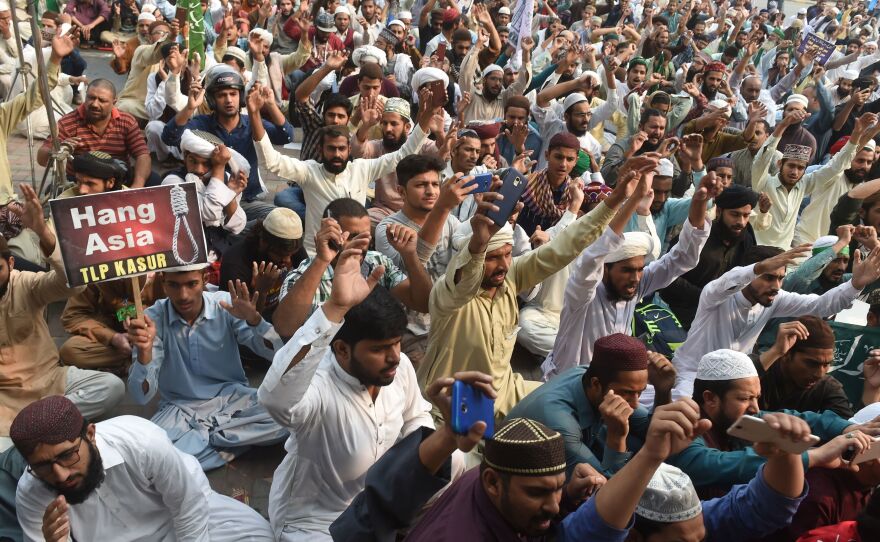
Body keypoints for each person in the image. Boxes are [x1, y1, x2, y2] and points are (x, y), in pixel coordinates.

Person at [418, 166, 648, 419]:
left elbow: (563, 247)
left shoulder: (510, 276)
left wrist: (616, 199)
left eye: (507, 254)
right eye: (493, 257)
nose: (504, 264)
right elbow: (466, 276)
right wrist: (479, 243)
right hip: (452, 405)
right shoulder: (447, 293)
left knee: (576, 397)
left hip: (506, 393)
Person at [257, 234, 436, 540]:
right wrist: (334, 308)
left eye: (396, 344)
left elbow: (416, 418)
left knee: (453, 461)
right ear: (341, 349)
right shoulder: (318, 385)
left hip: (379, 503)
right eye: (380, 349)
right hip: (314, 522)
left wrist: (418, 465)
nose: (394, 357)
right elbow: (275, 401)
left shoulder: (400, 367)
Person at [11, 396, 275, 541]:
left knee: (259, 535)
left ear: (90, 434)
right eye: (42, 466)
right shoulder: (32, 494)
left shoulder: (141, 441)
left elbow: (187, 507)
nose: (60, 475)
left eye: (67, 455)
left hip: (180, 522)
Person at [546, 168, 717, 376]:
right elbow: (593, 257)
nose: (635, 278)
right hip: (571, 386)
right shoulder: (583, 292)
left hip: (615, 385)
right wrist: (634, 199)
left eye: (639, 270)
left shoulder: (635, 285)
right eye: (627, 270)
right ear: (605, 269)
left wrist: (699, 203)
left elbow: (681, 259)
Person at [0, 183, 125, 449]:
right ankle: (48, 427)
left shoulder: (24, 283)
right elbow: (75, 317)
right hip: (4, 398)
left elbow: (73, 284)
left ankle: (34, 428)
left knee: (112, 388)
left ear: (10, 264)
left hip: (48, 382)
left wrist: (43, 232)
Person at [669, 244, 880, 401]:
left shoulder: (774, 299)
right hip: (691, 375)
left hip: (736, 381)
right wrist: (757, 267)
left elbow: (821, 306)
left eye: (780, 278)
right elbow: (727, 281)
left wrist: (855, 284)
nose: (776, 286)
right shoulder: (716, 297)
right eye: (768, 277)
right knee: (684, 412)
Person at [126, 265, 287, 470]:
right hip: (181, 408)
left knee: (285, 417)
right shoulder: (152, 319)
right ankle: (228, 444)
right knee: (147, 454)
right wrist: (144, 353)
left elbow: (276, 354)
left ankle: (201, 445)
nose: (183, 295)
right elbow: (141, 397)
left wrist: (255, 320)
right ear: (163, 283)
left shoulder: (226, 304)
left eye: (191, 284)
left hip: (233, 400)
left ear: (205, 278)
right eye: (174, 285)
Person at [252, 82, 436, 256]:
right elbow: (272, 162)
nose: (337, 154)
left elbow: (401, 155)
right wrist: (254, 114)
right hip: (316, 255)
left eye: (341, 149)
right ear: (320, 150)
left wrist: (426, 117)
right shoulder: (309, 171)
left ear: (349, 149)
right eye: (331, 149)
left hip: (353, 255)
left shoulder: (362, 169)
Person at [669, 349, 875, 496]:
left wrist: (849, 428)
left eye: (756, 398)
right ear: (710, 398)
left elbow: (801, 419)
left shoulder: (738, 418)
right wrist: (814, 456)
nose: (755, 408)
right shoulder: (681, 429)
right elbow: (719, 464)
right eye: (745, 398)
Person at [509, 334, 675, 476]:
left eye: (640, 392)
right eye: (627, 393)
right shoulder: (560, 423)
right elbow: (609, 496)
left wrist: (663, 391)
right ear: (596, 384)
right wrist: (616, 437)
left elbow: (654, 433)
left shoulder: (596, 376)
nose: (634, 404)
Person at [272, 198, 432, 340]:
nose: (361, 244)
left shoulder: (376, 262)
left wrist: (410, 255)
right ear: (329, 235)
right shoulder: (304, 275)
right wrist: (322, 260)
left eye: (365, 236)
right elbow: (285, 328)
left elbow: (424, 304)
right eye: (351, 236)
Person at [57, 152, 156, 372]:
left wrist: (149, 324)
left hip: (156, 326)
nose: (81, 190)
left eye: (90, 184)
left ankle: (149, 357)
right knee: (70, 351)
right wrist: (112, 338)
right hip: (112, 326)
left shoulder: (141, 216)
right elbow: (74, 315)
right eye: (78, 182)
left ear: (111, 183)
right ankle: (141, 360)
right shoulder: (87, 244)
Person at [163, 73, 294, 222]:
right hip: (209, 199)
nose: (229, 100)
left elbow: (286, 136)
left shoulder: (253, 121)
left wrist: (270, 105)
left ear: (241, 96)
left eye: (233, 94)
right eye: (222, 95)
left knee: (279, 220)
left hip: (246, 199)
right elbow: (169, 137)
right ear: (212, 100)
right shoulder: (202, 123)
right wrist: (189, 108)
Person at [751, 111, 876, 249]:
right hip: (758, 251)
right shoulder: (763, 182)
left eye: (800, 168)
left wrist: (856, 134)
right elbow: (760, 161)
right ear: (780, 164)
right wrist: (782, 125)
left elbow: (837, 165)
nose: (794, 172)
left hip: (785, 254)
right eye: (791, 166)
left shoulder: (804, 183)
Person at [660, 185, 761, 328]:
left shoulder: (746, 238)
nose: (741, 222)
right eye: (735, 214)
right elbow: (668, 276)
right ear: (719, 211)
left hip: (721, 316)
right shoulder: (696, 237)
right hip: (681, 314)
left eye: (746, 215)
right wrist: (705, 296)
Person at [39, 79, 151, 188]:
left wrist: (137, 186)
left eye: (102, 100)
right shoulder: (68, 122)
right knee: (56, 193)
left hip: (118, 178)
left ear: (114, 102)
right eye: (91, 98)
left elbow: (143, 155)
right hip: (81, 182)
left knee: (152, 180)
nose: (95, 104)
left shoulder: (127, 121)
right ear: (85, 96)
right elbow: (42, 159)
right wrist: (58, 148)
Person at [754, 317, 854, 418]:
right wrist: (776, 351)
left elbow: (848, 426)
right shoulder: (760, 371)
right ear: (787, 354)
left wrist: (869, 391)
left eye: (826, 364)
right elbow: (740, 381)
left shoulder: (827, 387)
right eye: (812, 364)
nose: (820, 374)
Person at [220, 208, 307, 322]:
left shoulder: (289, 246)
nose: (287, 260)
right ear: (263, 242)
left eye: (292, 254)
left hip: (279, 310)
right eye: (280, 255)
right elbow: (245, 324)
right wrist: (261, 291)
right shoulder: (236, 264)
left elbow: (308, 279)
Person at [114, 19, 176, 121]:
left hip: (166, 109)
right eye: (159, 33)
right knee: (125, 107)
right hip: (138, 105)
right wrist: (169, 37)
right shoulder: (141, 51)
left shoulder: (177, 56)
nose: (163, 35)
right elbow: (154, 53)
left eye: (166, 33)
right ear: (150, 37)